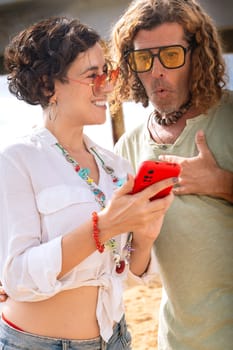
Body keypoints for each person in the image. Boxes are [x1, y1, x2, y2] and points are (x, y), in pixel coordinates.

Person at [0, 16, 176, 349]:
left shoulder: (115, 167)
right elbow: (17, 277)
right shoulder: (16, 159)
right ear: (47, 85)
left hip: (115, 339)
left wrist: (144, 234)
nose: (107, 87)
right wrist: (104, 226)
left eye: (107, 73)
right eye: (91, 76)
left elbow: (127, 271)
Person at [110, 0, 233, 349]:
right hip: (176, 340)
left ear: (198, 56)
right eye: (144, 59)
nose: (157, 71)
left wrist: (222, 184)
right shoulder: (126, 150)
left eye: (172, 56)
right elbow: (131, 267)